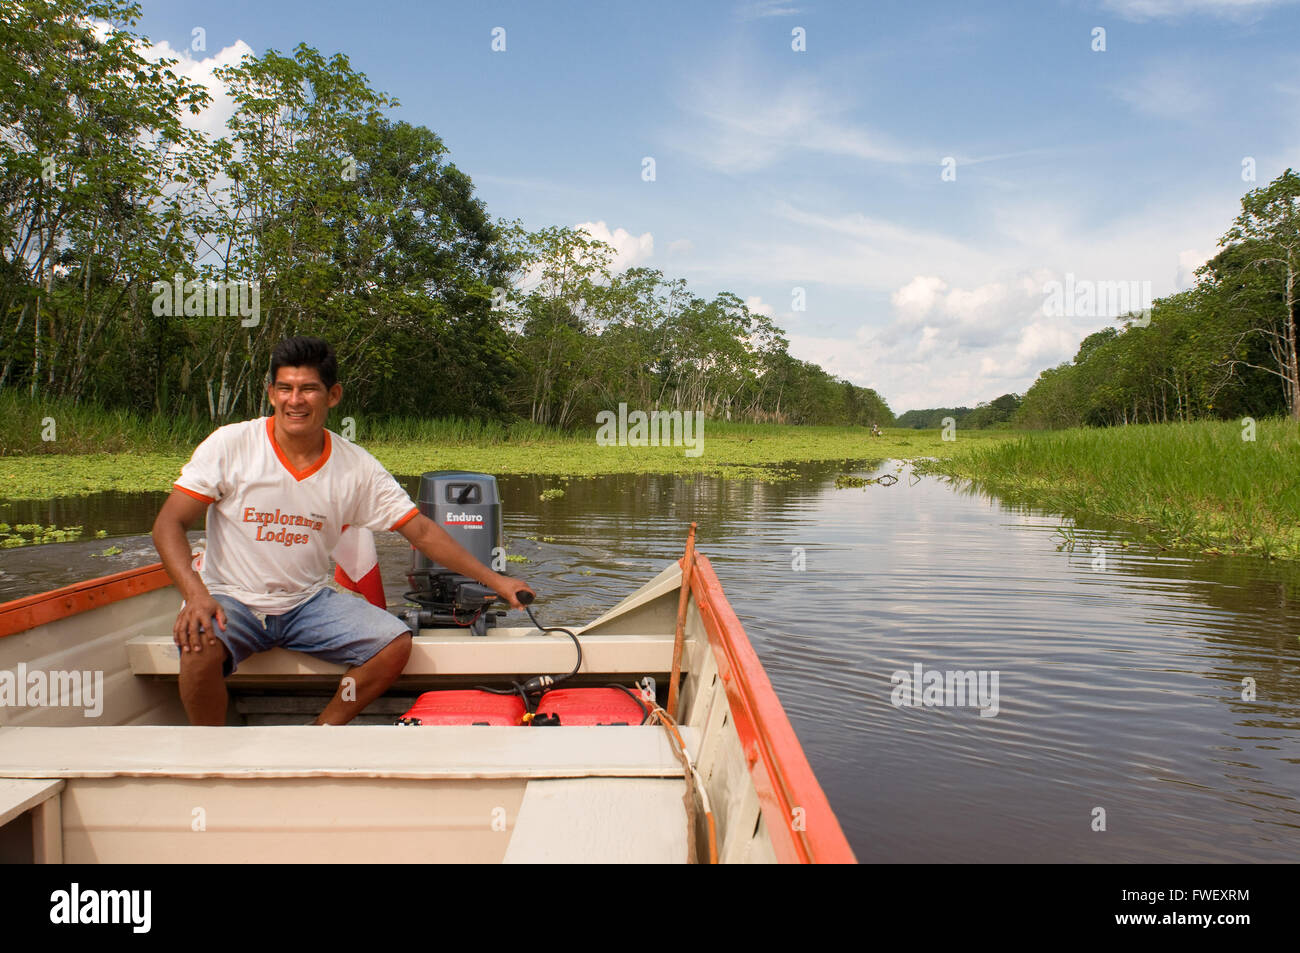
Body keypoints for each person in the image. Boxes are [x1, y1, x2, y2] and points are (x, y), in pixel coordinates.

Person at [151, 336, 533, 726]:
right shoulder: (231, 445)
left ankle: (321, 732)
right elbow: (169, 524)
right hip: (229, 598)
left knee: (394, 644)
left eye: (308, 389)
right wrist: (196, 595)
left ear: (332, 395)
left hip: (306, 603)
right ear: (271, 393)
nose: (294, 400)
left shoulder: (357, 467)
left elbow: (421, 531)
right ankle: (213, 753)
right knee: (198, 643)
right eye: (285, 388)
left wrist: (496, 581)